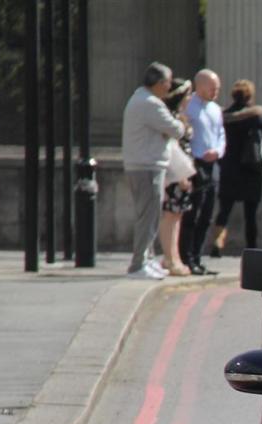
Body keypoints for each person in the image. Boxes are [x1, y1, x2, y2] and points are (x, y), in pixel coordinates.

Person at [121, 62, 186, 279]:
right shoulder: (151, 104)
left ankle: (147, 259)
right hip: (147, 166)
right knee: (148, 216)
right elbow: (177, 130)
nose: (170, 87)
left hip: (141, 165)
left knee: (147, 215)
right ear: (159, 83)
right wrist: (178, 124)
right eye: (168, 82)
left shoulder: (139, 99)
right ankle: (138, 264)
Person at [210, 79, 262, 258]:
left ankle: (217, 243)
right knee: (250, 214)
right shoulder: (256, 118)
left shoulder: (224, 118)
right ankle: (251, 248)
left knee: (224, 211)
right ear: (250, 96)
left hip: (229, 170)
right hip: (251, 170)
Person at [180, 68, 225, 275]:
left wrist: (217, 151)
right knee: (192, 214)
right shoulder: (189, 107)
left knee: (207, 214)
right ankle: (186, 258)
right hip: (195, 163)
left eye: (217, 87)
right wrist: (199, 154)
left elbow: (220, 134)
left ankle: (197, 257)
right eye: (211, 87)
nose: (215, 91)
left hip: (212, 164)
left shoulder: (215, 109)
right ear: (199, 86)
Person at [159, 77, 196, 276]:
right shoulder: (169, 118)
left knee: (178, 215)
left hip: (183, 172)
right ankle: (170, 258)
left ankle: (174, 257)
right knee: (170, 215)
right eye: (188, 94)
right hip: (174, 174)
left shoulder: (179, 116)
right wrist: (181, 176)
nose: (189, 98)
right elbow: (171, 149)